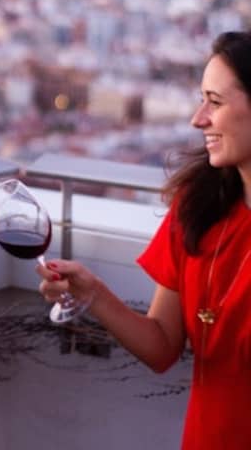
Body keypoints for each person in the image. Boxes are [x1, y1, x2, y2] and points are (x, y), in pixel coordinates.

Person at [37, 30, 251, 450]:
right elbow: (162, 347)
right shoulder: (198, 207)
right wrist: (93, 294)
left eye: (216, 102)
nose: (198, 118)